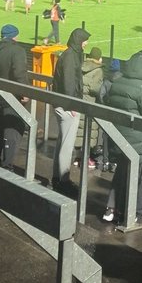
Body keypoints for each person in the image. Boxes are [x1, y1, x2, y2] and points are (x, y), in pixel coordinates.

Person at [102, 49, 142, 228]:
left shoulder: (117, 82)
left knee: (121, 173)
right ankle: (136, 214)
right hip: (137, 141)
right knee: (140, 177)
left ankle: (111, 209)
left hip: (118, 137)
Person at [51, 26, 91, 194]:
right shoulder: (70, 57)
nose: (87, 44)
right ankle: (63, 181)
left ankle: (58, 179)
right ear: (79, 41)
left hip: (63, 104)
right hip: (67, 107)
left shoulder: (70, 55)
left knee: (62, 143)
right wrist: (72, 105)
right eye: (85, 40)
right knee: (66, 145)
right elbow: (68, 82)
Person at [0, 23, 31, 170]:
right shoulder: (17, 51)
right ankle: (7, 165)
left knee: (0, 128)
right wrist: (24, 93)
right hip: (12, 97)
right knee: (12, 130)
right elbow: (20, 73)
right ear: (14, 36)